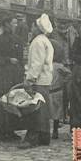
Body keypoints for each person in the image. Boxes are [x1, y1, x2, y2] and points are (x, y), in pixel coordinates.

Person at [19, 14, 54, 149]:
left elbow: (36, 63)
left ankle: (32, 138)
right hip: (45, 79)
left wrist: (30, 79)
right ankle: (44, 137)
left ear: (37, 28)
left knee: (34, 109)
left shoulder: (37, 42)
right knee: (43, 110)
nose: (31, 28)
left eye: (33, 25)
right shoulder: (45, 41)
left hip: (38, 80)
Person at [0, 16, 23, 141]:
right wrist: (7, 60)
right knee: (4, 98)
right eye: (13, 23)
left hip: (15, 72)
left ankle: (11, 129)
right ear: (6, 24)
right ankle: (1, 129)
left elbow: (21, 57)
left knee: (13, 98)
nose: (15, 25)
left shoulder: (18, 39)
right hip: (5, 72)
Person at [49, 39, 71, 139]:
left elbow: (69, 73)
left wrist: (64, 81)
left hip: (56, 91)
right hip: (51, 91)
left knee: (56, 112)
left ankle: (55, 130)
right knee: (53, 112)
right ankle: (52, 130)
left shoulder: (58, 66)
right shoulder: (51, 65)